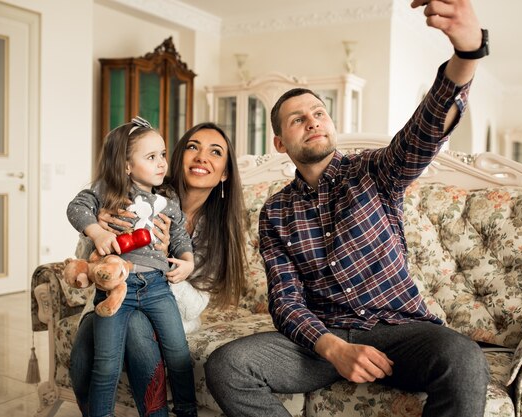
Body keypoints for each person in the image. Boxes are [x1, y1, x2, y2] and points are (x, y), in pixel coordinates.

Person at [204, 1, 490, 416]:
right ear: (280, 143)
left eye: (319, 112)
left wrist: (467, 54)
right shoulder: (276, 211)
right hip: (321, 342)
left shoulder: (376, 170)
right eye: (298, 119)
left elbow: (424, 130)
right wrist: (333, 347)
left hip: (398, 330)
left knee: (462, 357)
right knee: (227, 365)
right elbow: (285, 301)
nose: (313, 121)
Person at [69, 122, 247, 417]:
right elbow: (88, 244)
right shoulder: (140, 192)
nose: (202, 157)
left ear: (225, 172)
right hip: (117, 292)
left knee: (138, 329)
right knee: (90, 353)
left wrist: (166, 260)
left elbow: (195, 304)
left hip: (163, 300)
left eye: (215, 152)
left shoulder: (214, 229)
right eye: (193, 146)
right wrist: (96, 228)